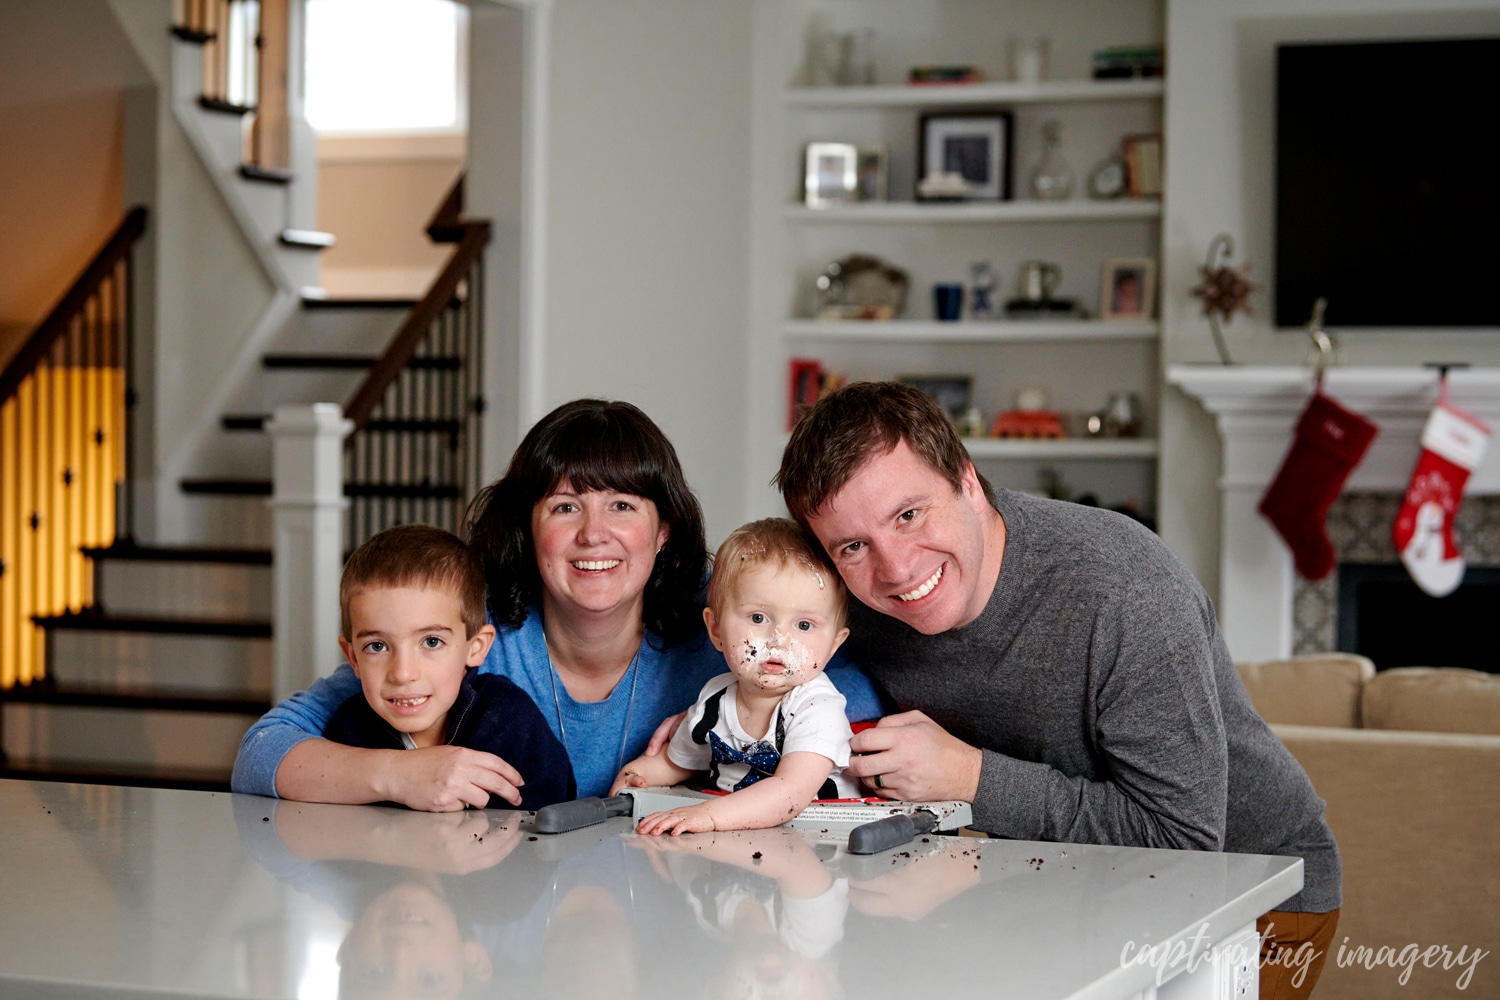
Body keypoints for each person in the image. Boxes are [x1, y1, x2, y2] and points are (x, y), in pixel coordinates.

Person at [773, 381, 1342, 1000]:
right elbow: (739, 600)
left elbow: (1182, 838)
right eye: (853, 547)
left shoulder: (1124, 590)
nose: (898, 569)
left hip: (1250, 887)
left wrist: (971, 778)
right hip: (1039, 881)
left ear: (966, 478)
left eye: (909, 515)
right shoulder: (846, 600)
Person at [231, 399, 883, 808]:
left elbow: (853, 700)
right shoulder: (472, 630)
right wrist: (399, 775)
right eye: (565, 507)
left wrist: (752, 713)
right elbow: (263, 752)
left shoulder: (724, 612)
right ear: (529, 529)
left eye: (622, 506)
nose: (593, 534)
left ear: (663, 533)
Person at [612, 519, 859, 835]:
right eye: (758, 618)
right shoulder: (715, 700)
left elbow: (790, 793)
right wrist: (635, 776)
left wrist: (708, 815)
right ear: (715, 629)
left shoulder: (816, 707)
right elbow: (678, 763)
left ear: (834, 644)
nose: (779, 640)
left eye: (804, 625)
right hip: (741, 846)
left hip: (819, 848)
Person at [323, 523, 574, 811]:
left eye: (431, 642)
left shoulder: (510, 720)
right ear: (353, 657)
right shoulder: (346, 733)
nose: (403, 674)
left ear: (476, 646)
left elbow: (556, 816)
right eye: (377, 646)